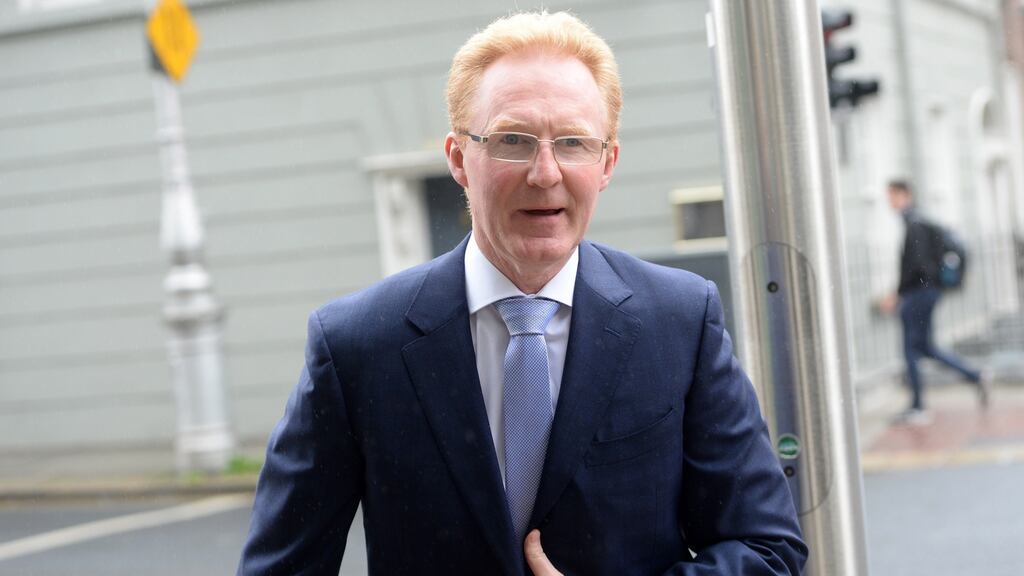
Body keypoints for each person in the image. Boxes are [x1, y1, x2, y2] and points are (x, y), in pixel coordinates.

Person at [237, 11, 806, 576]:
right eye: (513, 140)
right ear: (460, 159)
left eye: (574, 143)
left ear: (606, 163)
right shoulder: (357, 345)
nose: (545, 172)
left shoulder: (680, 322)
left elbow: (768, 552)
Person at [880, 180, 990, 424]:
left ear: (904, 194)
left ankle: (918, 406)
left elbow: (916, 265)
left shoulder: (915, 224)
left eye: (892, 196)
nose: (889, 202)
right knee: (926, 347)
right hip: (926, 292)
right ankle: (975, 375)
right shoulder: (917, 221)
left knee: (910, 349)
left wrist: (898, 293)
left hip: (919, 293)